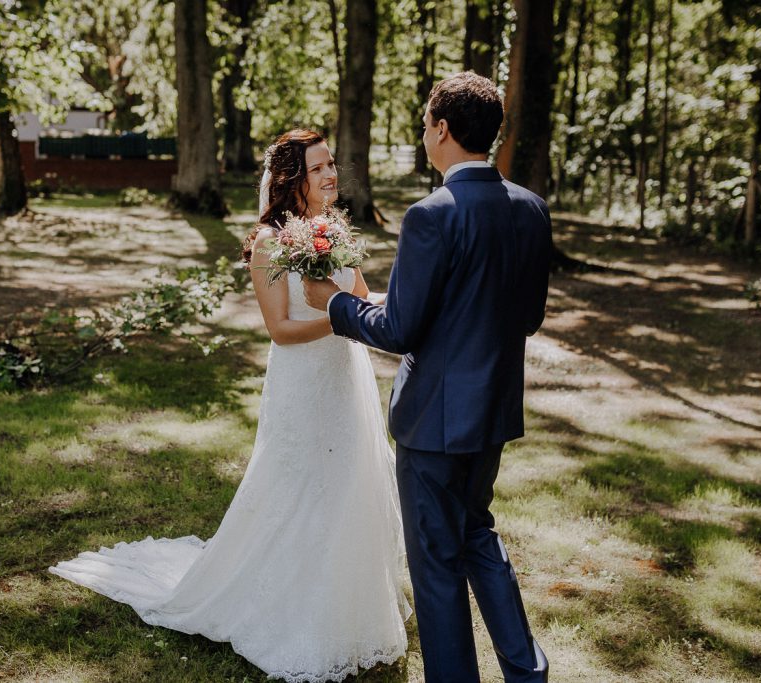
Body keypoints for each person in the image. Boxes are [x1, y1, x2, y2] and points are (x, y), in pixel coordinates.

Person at [50, 129, 410, 682]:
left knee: (346, 485)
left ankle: (346, 608)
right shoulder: (270, 242)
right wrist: (338, 318)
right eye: (318, 169)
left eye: (332, 164)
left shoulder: (334, 229)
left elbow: (360, 299)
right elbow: (281, 329)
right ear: (292, 179)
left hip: (344, 379)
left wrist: (401, 309)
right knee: (298, 487)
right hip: (301, 382)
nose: (331, 174)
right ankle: (285, 607)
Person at [304, 72, 552, 683]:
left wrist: (333, 303)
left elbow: (398, 330)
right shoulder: (530, 208)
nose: (422, 134)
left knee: (439, 567)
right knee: (476, 537)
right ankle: (527, 672)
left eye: (423, 124)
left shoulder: (431, 215)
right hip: (493, 415)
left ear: (442, 128)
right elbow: (528, 316)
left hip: (433, 426)